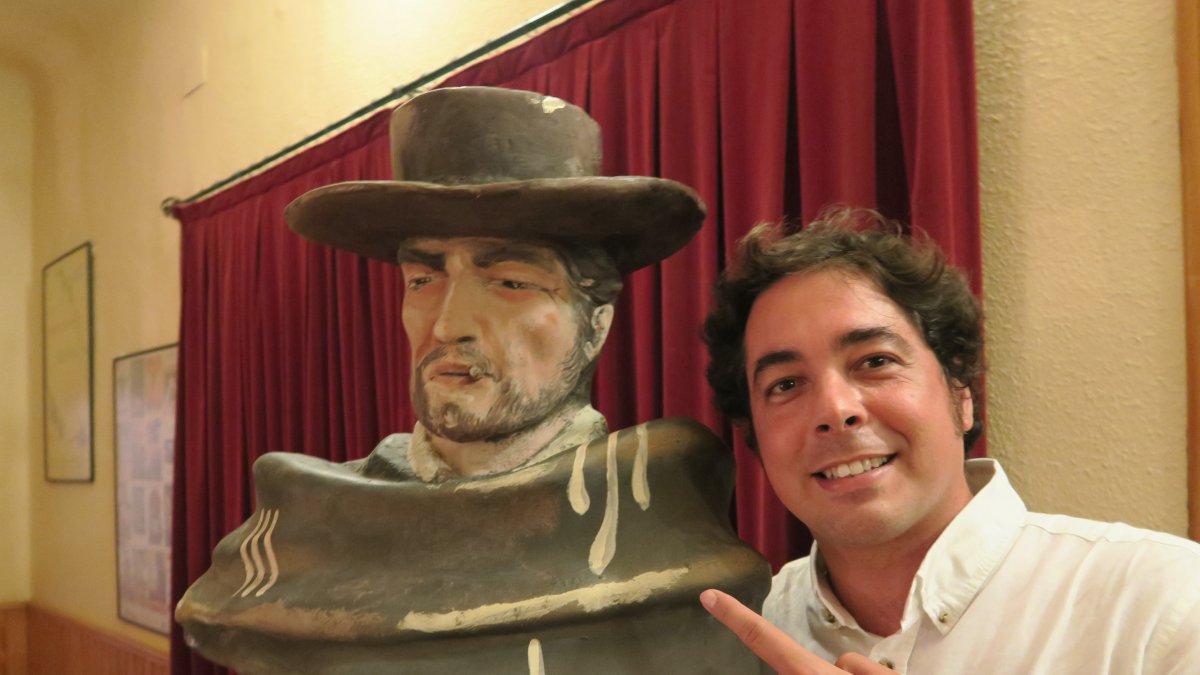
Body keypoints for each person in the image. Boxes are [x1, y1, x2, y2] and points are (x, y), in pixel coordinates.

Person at [176, 86, 770, 675]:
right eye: (422, 280)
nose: (448, 323)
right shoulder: (300, 529)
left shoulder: (661, 515)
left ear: (596, 325)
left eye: (511, 282)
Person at [697, 208, 1200, 674]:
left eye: (875, 362)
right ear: (755, 441)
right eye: (785, 385)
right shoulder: (734, 631)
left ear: (962, 395)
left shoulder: (1163, 604)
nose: (835, 410)